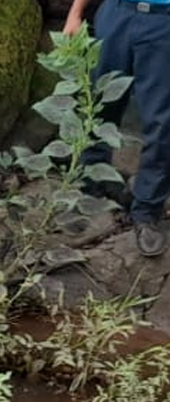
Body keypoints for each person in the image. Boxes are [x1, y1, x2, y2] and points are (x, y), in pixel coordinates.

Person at [65, 0, 170, 257]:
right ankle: (89, 187)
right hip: (116, 13)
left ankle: (147, 211)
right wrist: (76, 12)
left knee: (162, 122)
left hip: (163, 22)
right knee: (96, 103)